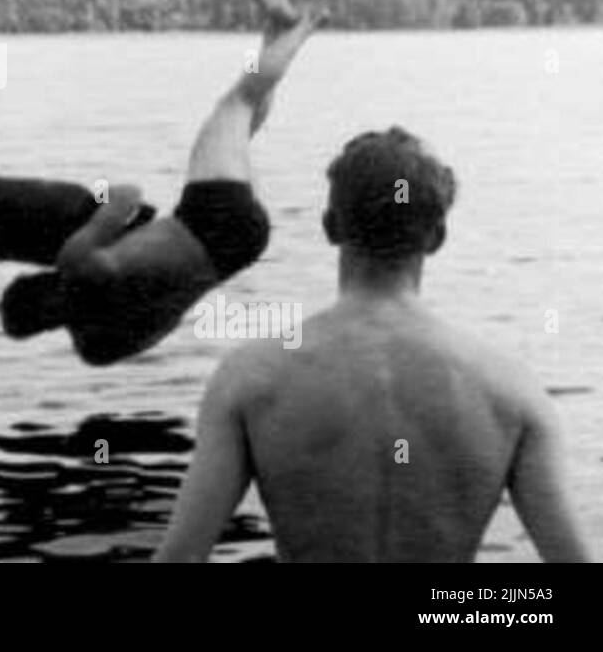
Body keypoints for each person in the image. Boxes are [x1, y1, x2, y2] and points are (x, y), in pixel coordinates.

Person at [153, 127, 592, 562]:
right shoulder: (512, 390)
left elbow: (181, 558)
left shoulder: (250, 377)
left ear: (330, 227)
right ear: (437, 237)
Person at [0, 0, 324, 365]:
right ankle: (304, 26)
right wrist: (99, 202)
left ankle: (273, 31)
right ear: (38, 281)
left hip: (238, 249)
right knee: (236, 104)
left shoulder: (98, 345)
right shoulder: (74, 263)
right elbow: (127, 195)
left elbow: (166, 322)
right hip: (206, 219)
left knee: (240, 123)